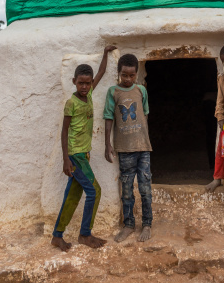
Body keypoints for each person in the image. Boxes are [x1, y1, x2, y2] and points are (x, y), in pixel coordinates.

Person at [51, 44, 116, 252]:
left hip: (83, 155)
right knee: (94, 191)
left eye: (88, 84)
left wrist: (105, 53)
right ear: (74, 82)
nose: (85, 87)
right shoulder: (71, 103)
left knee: (72, 196)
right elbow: (64, 131)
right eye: (81, 83)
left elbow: (102, 72)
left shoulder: (88, 96)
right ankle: (85, 234)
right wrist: (66, 159)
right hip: (75, 156)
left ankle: (57, 236)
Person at [104, 53, 153, 243]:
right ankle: (129, 225)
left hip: (143, 148)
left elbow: (145, 114)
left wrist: (143, 138)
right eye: (124, 75)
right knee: (126, 190)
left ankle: (147, 224)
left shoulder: (141, 90)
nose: (128, 79)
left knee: (145, 188)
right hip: (124, 150)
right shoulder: (113, 92)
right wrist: (107, 143)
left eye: (131, 75)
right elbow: (109, 117)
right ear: (118, 73)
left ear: (137, 74)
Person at [205, 45, 224, 193]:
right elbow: (220, 100)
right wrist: (220, 116)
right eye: (223, 61)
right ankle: (217, 178)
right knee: (221, 150)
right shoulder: (222, 78)